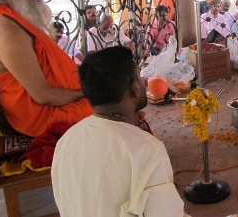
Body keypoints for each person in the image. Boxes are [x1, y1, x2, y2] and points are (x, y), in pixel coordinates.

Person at [52, 47, 189, 217]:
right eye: (139, 76)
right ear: (134, 88)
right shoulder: (145, 149)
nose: (143, 82)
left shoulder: (67, 140)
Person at [0, 0, 92, 137]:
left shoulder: (17, 19)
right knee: (110, 109)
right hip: (40, 116)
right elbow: (43, 95)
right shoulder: (9, 32)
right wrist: (85, 92)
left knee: (114, 96)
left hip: (52, 104)